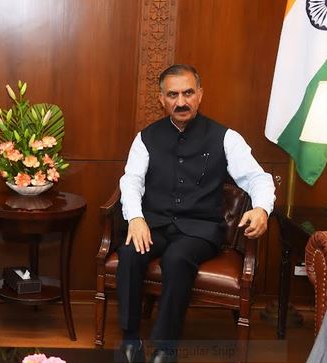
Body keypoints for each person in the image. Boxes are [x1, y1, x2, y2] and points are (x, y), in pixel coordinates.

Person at [116, 64, 275, 363]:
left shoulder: (226, 137)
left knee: (177, 259)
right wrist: (135, 218)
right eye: (173, 95)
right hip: (155, 223)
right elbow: (132, 180)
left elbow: (258, 178)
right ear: (161, 99)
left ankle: (165, 349)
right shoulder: (146, 137)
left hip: (200, 229)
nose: (181, 101)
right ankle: (130, 341)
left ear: (200, 95)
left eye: (188, 93)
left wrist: (261, 208)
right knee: (129, 253)